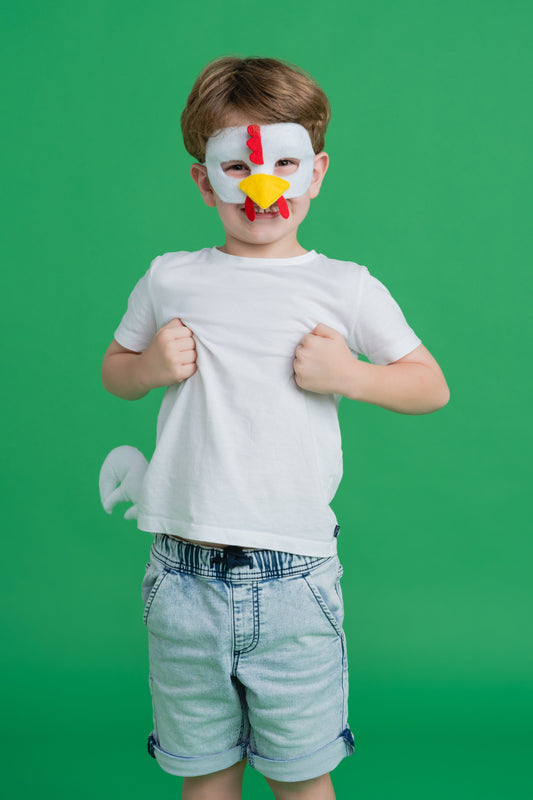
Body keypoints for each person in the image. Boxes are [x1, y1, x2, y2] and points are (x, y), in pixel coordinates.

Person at [101, 56, 449, 800]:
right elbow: (115, 369)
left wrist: (351, 376)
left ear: (316, 172)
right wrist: (151, 366)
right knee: (204, 775)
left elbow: (429, 386)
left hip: (294, 580)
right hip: (181, 572)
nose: (265, 186)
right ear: (204, 179)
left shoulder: (344, 286)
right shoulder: (170, 278)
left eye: (286, 162)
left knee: (300, 777)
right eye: (238, 165)